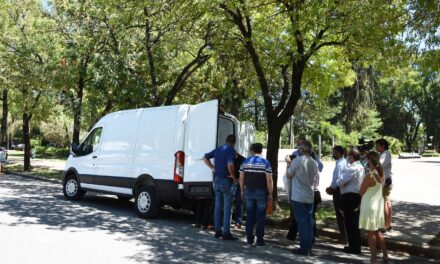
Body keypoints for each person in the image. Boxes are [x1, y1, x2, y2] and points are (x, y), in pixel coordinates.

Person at [286, 138, 323, 241]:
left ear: (301, 149)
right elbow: (316, 175)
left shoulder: (297, 161)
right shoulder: (314, 162)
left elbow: (288, 175)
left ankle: (304, 247)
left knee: (301, 221)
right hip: (310, 195)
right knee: (309, 221)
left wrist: (289, 163)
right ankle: (309, 244)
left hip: (298, 196)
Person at [203, 134, 238, 240]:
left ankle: (218, 230)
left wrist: (213, 168)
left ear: (226, 140)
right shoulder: (231, 151)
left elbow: (205, 158)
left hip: (216, 180)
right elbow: (230, 164)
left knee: (218, 205)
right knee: (227, 207)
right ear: (233, 143)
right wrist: (233, 176)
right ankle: (226, 232)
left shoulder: (218, 149)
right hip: (226, 181)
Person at [239, 143, 273, 246]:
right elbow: (269, 180)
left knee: (249, 215)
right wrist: (270, 193)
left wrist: (241, 190)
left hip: (248, 191)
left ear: (252, 150)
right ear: (261, 151)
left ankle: (249, 239)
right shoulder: (265, 162)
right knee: (261, 216)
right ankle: (259, 240)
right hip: (261, 192)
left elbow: (241, 178)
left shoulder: (245, 161)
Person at [359, 151, 389, 264]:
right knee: (377, 232)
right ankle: (385, 254)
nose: (365, 161)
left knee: (370, 233)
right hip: (377, 206)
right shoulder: (380, 174)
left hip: (369, 206)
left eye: (367, 159)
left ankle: (373, 258)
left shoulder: (370, 175)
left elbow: (361, 191)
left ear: (369, 160)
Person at [336, 148, 365, 254]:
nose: (347, 157)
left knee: (350, 223)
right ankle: (354, 246)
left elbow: (341, 181)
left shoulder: (353, 168)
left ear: (352, 156)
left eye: (349, 155)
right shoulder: (360, 167)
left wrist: (339, 180)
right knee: (353, 222)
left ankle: (354, 247)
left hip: (350, 197)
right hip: (356, 196)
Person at [326, 145, 348, 243]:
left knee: (340, 214)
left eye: (334, 152)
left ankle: (343, 237)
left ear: (338, 153)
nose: (332, 154)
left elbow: (336, 179)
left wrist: (331, 188)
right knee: (343, 213)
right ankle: (345, 235)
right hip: (344, 190)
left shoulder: (340, 164)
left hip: (338, 191)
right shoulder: (345, 162)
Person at [375, 139, 393, 231]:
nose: (376, 147)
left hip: (384, 182)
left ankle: (385, 225)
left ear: (383, 146)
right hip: (387, 180)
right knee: (387, 202)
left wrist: (372, 159)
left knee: (384, 203)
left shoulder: (385, 154)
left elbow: (379, 164)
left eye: (377, 145)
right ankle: (388, 224)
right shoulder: (383, 153)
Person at [232, 153, 245, 228]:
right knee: (229, 203)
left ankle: (238, 222)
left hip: (238, 183)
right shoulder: (229, 157)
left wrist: (237, 180)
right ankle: (230, 221)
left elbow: (243, 173)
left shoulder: (243, 160)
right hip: (230, 182)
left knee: (238, 203)